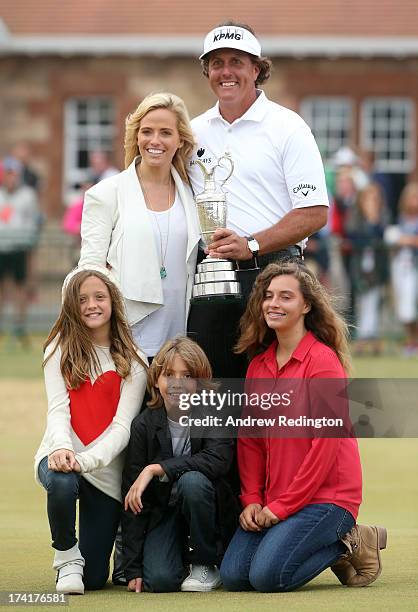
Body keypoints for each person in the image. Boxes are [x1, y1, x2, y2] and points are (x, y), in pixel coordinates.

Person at [220, 260, 387, 591]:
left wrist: (282, 507)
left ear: (306, 304)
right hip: (275, 498)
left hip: (327, 498)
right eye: (268, 296)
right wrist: (252, 499)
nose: (274, 304)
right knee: (235, 576)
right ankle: (320, 540)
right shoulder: (258, 367)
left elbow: (324, 448)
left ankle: (349, 540)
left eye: (286, 297)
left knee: (267, 577)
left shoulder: (322, 363)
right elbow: (250, 441)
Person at [187, 21, 329, 377]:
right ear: (207, 71)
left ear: (256, 69)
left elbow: (313, 213)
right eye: (217, 63)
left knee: (277, 392)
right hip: (208, 274)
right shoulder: (192, 131)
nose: (226, 71)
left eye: (237, 61)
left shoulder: (287, 126)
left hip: (273, 274)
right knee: (215, 391)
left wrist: (251, 243)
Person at [34, 269, 147, 594]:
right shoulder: (59, 348)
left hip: (103, 469)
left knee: (95, 579)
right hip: (59, 453)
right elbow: (58, 409)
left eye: (99, 297)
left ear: (112, 301)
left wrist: (85, 461)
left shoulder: (134, 361)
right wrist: (60, 448)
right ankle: (67, 558)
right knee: (60, 480)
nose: (91, 305)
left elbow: (122, 427)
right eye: (82, 299)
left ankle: (94, 559)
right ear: (71, 305)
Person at [79, 92, 200, 362]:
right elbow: (89, 270)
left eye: (166, 132)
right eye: (147, 131)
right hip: (125, 341)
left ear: (180, 140)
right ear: (136, 136)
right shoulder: (106, 193)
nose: (155, 141)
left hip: (179, 344)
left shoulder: (193, 196)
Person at [121, 337, 239, 593]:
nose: (177, 384)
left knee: (192, 481)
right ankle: (180, 559)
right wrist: (133, 567)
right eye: (169, 375)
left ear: (200, 382)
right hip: (166, 511)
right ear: (156, 380)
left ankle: (205, 563)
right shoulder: (143, 425)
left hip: (209, 508)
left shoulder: (216, 413)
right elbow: (132, 497)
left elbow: (218, 460)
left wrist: (157, 468)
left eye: (187, 376)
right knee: (160, 581)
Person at [0, 156, 40, 342]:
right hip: (1, 247)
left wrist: (28, 240)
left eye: (13, 174)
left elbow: (33, 221)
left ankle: (19, 325)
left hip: (19, 247)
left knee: (20, 287)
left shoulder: (27, 195)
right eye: (7, 174)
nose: (10, 178)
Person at [347, 183, 389, 354]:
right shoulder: (355, 218)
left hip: (377, 267)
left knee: (374, 301)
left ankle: (368, 338)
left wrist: (374, 219)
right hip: (359, 267)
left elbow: (383, 236)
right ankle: (366, 337)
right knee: (362, 302)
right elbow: (355, 236)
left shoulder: (384, 217)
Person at [386, 182, 418, 355]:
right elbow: (392, 239)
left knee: (411, 305)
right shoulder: (399, 219)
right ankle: (411, 341)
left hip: (415, 267)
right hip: (401, 266)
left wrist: (406, 240)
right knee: (404, 306)